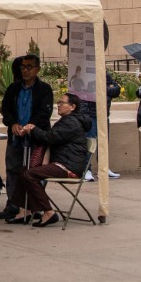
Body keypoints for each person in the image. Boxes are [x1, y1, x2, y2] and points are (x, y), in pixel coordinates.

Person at [18, 93, 94, 225]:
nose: (58, 105)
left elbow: (50, 138)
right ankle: (28, 209)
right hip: (63, 162)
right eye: (58, 102)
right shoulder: (68, 120)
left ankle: (48, 212)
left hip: (68, 166)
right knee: (26, 171)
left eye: (62, 103)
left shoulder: (71, 122)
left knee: (29, 174)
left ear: (72, 106)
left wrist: (33, 129)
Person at [0, 54, 53, 223]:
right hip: (16, 138)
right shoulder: (13, 89)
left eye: (29, 67)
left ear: (37, 69)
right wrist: (13, 123)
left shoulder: (44, 89)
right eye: (23, 67)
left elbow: (45, 112)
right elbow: (6, 109)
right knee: (13, 170)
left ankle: (34, 206)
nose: (26, 70)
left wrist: (31, 126)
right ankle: (14, 205)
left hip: (35, 138)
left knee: (34, 172)